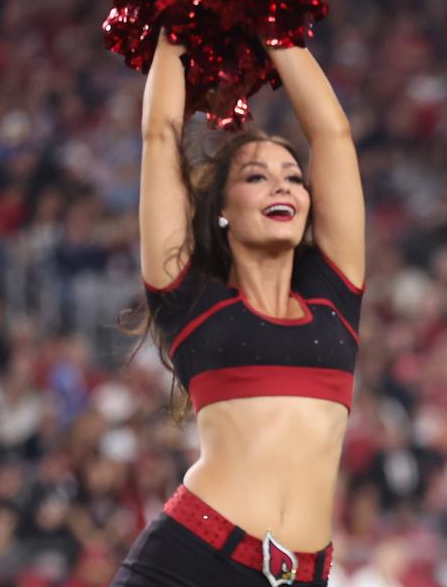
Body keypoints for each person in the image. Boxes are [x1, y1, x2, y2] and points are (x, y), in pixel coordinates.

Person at [111, 33, 365, 586]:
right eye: (257, 176)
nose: (284, 185)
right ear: (222, 209)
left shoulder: (335, 296)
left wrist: (276, 24)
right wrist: (176, 28)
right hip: (190, 562)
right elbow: (160, 137)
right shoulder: (191, 300)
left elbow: (333, 134)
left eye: (293, 177)